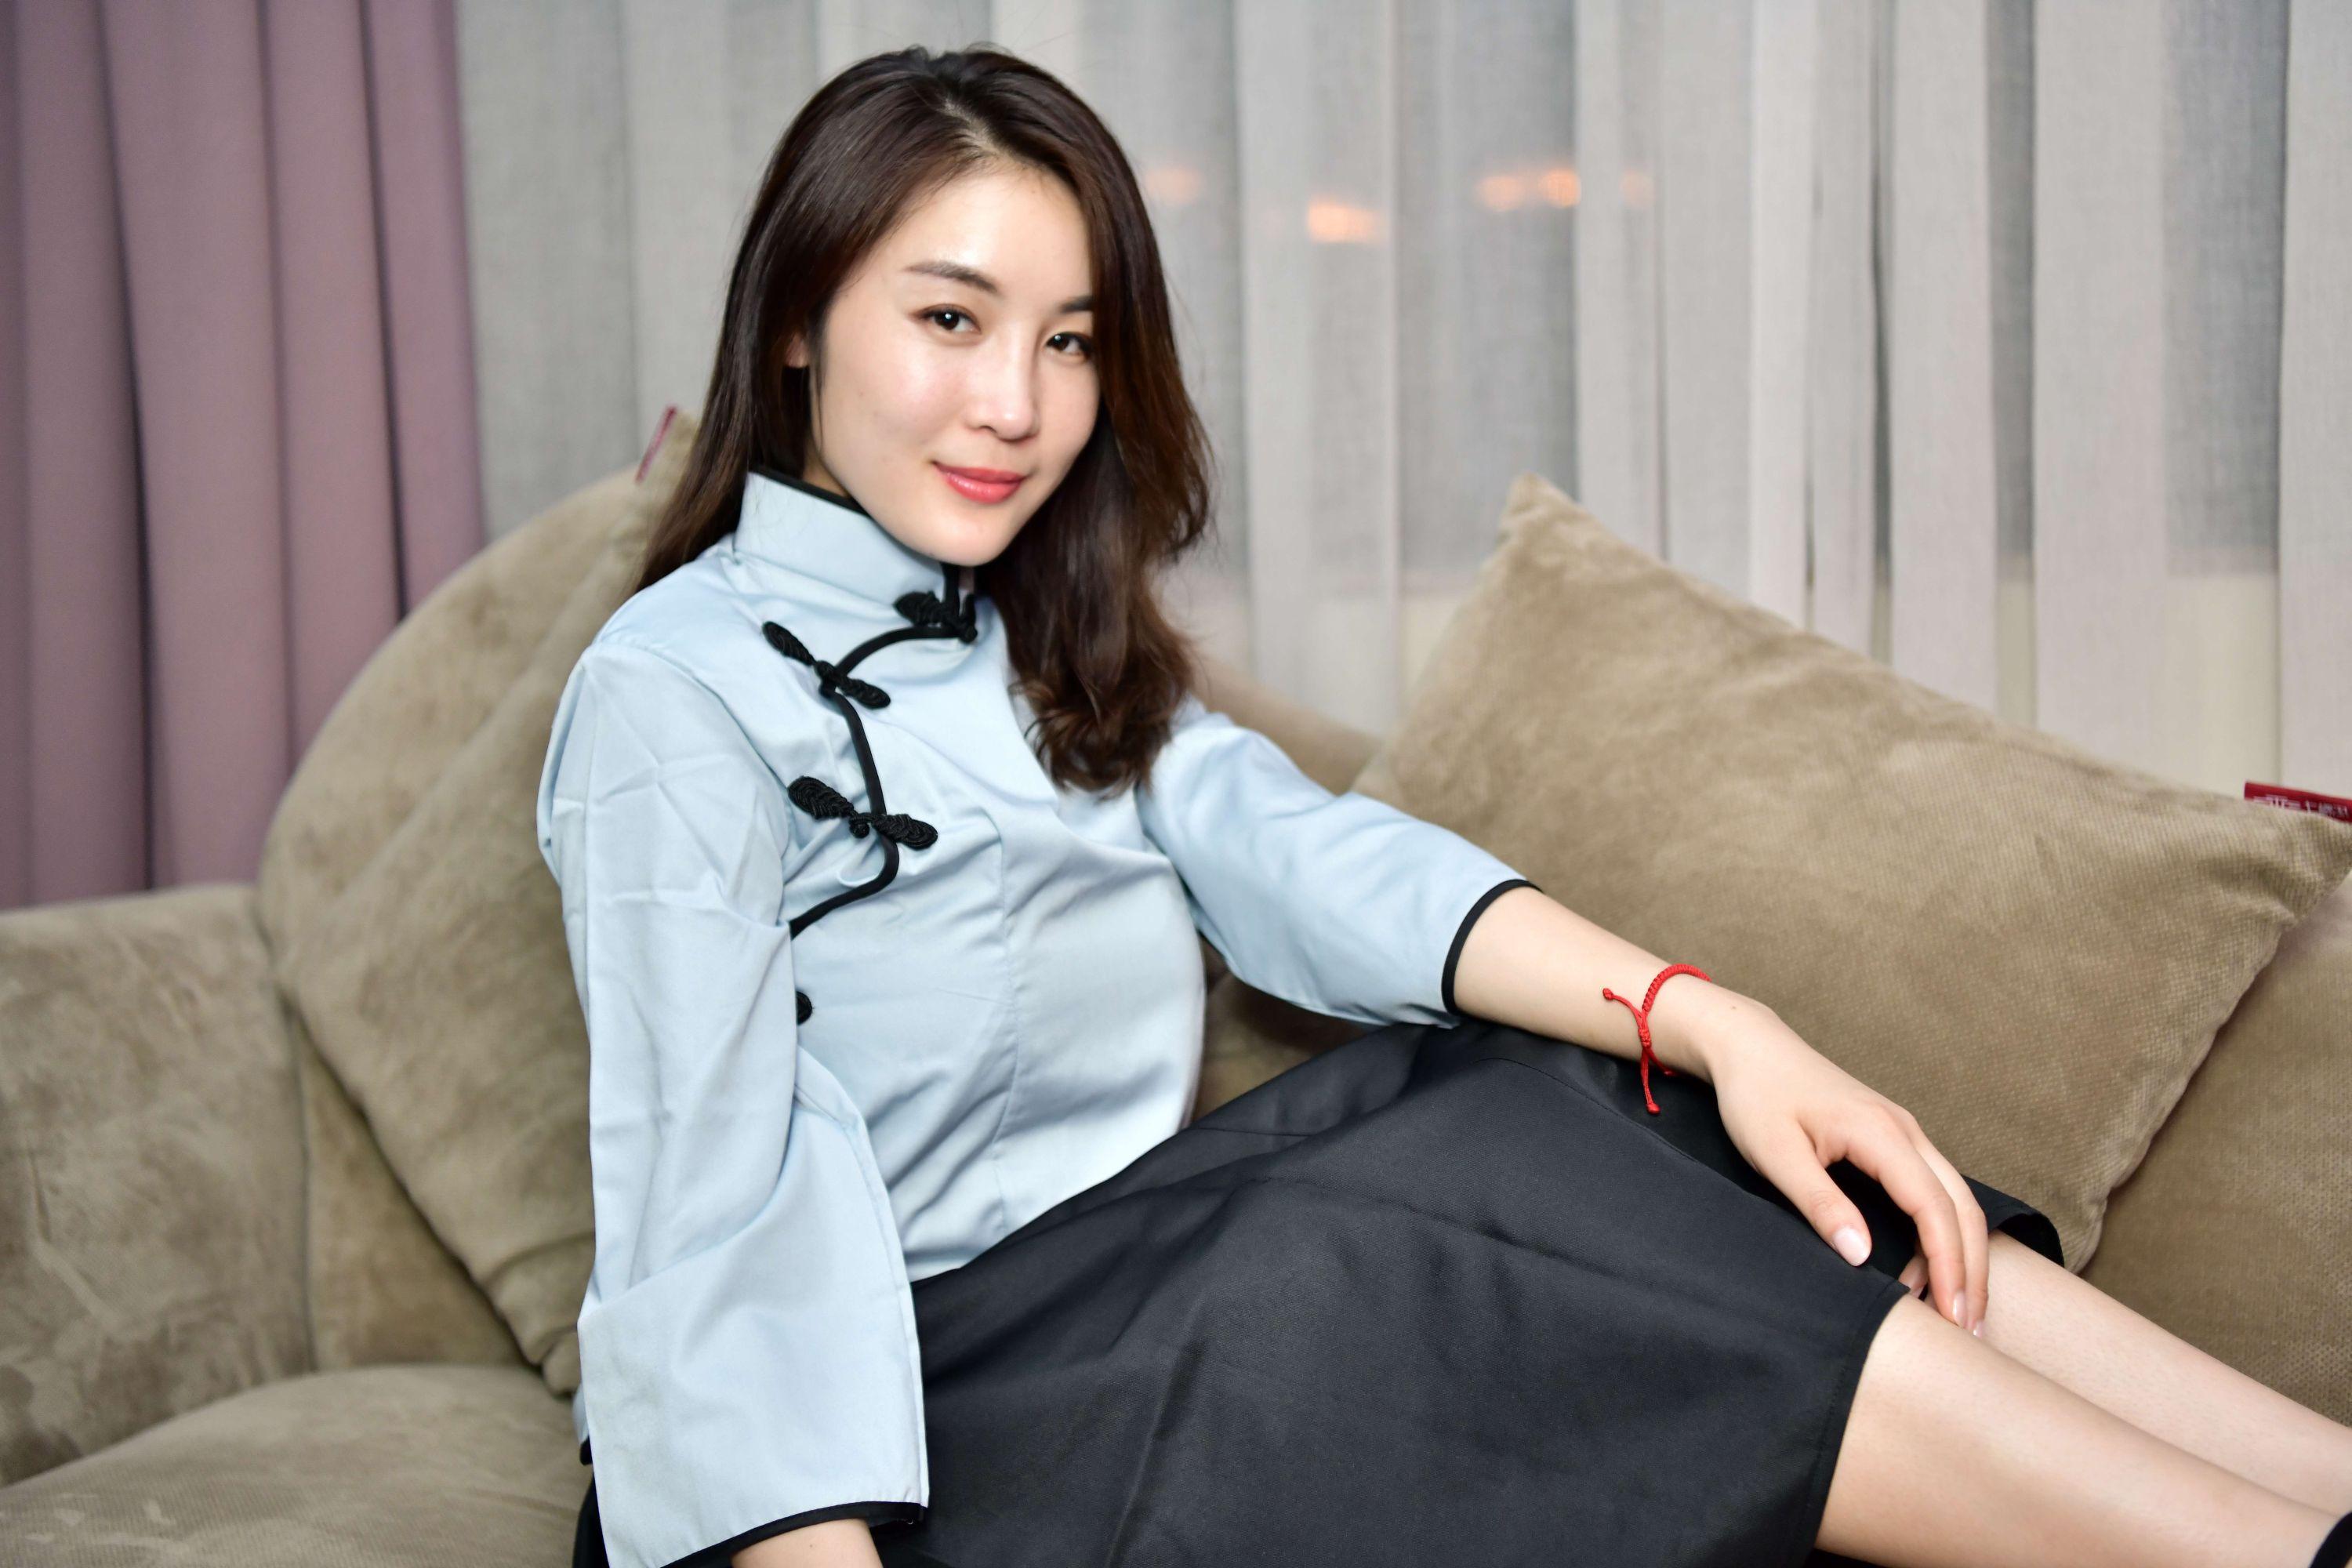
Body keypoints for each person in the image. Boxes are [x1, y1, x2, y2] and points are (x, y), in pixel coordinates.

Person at [535, 43, 2352, 1568]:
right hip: (873, 1472)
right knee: (1426, 1187)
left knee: (1578, 1084)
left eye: (1071, 340)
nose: (1016, 403)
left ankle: (2322, 1496)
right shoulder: (668, 695)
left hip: (1112, 1330)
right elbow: (708, 1228)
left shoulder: (1042, 631)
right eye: (951, 318)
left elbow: (1318, 860)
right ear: (797, 321)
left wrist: (1716, 1023)